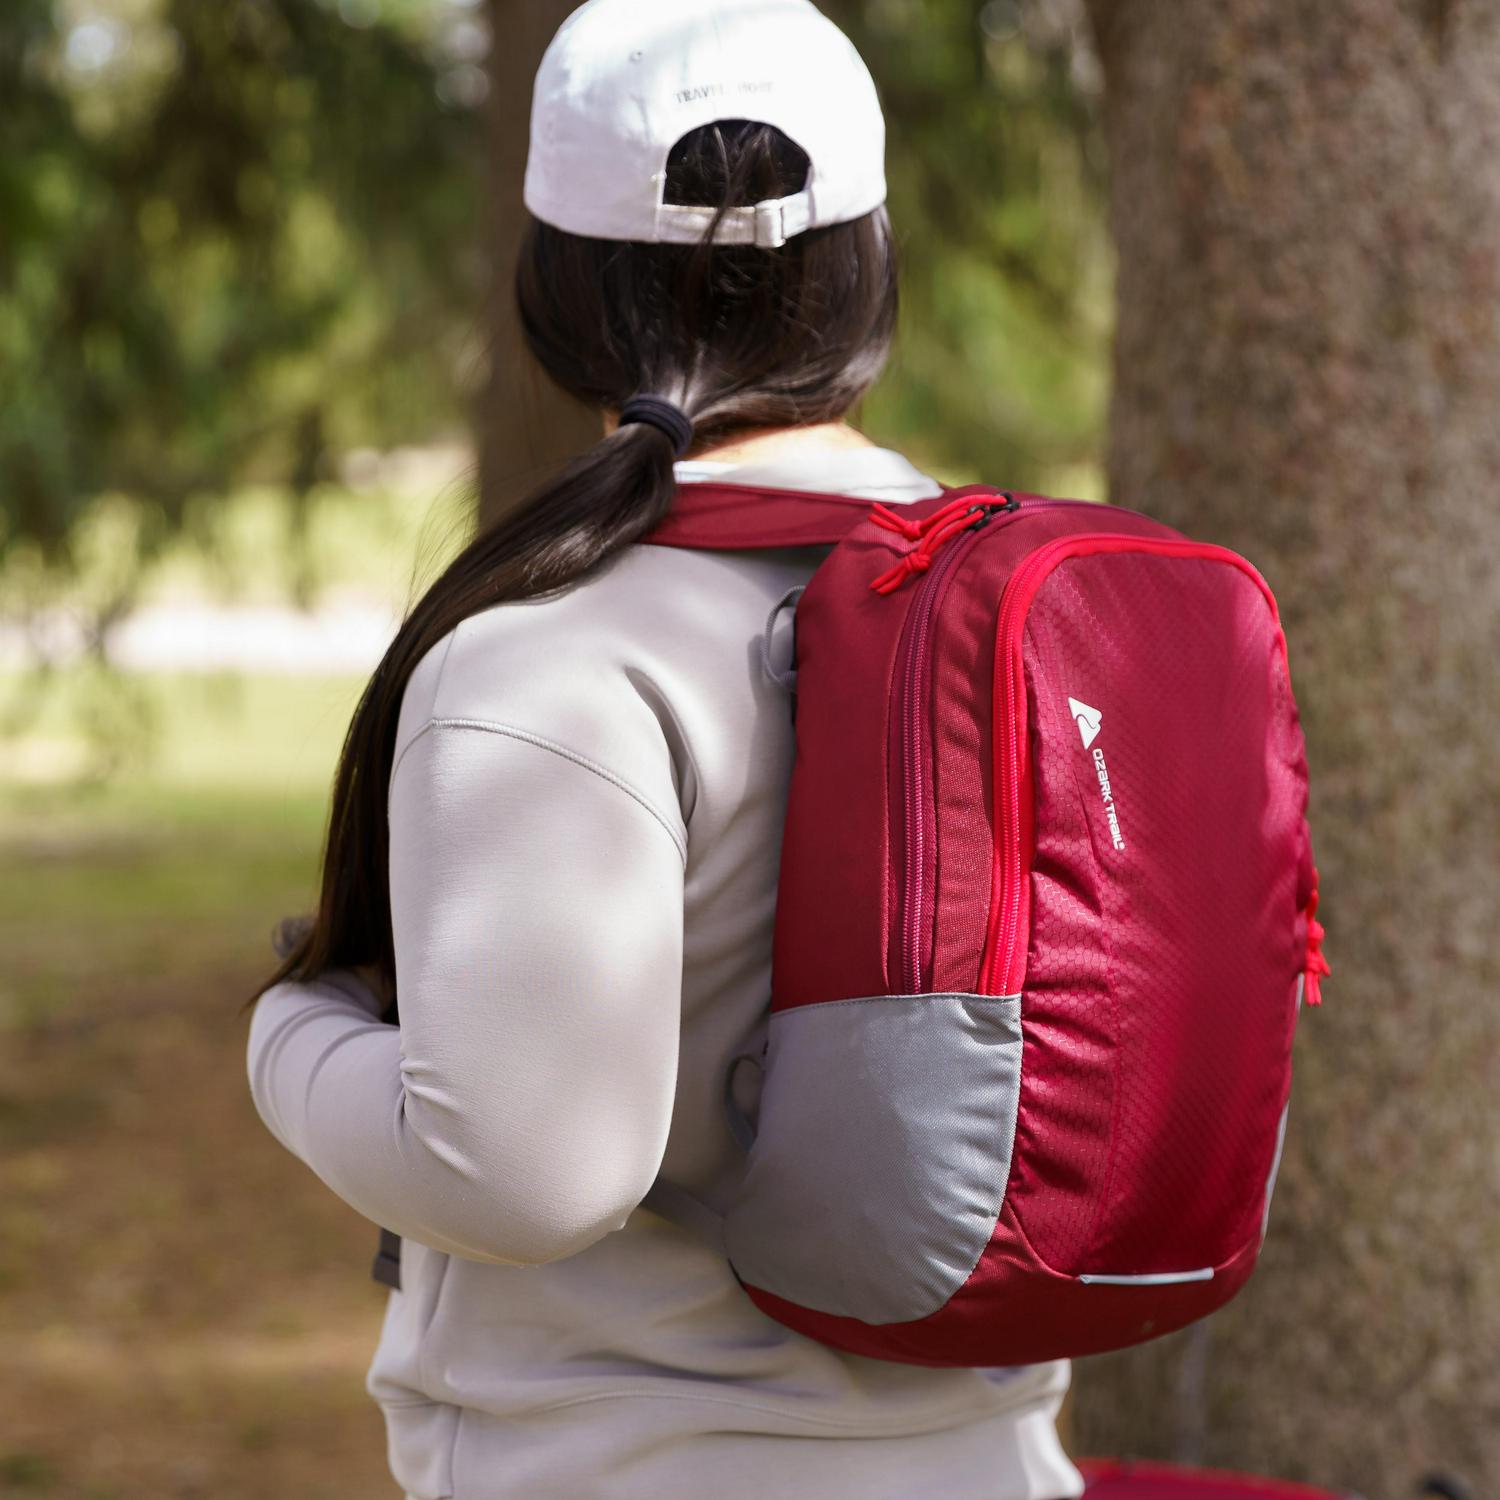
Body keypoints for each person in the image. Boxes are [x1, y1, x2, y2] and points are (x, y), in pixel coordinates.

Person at [245, 2, 1084, 1496]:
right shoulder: (1017, 612)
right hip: (994, 1465)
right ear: (871, 271)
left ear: (559, 291)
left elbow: (521, 1171)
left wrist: (288, 1029)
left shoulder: (551, 657)